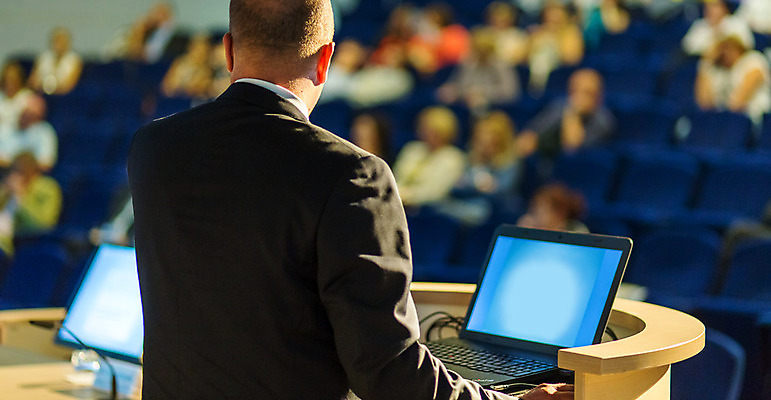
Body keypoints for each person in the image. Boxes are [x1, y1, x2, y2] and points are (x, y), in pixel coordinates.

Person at [128, 0, 573, 399]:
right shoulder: (351, 174)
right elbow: (389, 374)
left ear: (228, 51)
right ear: (325, 60)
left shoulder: (153, 148)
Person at [434, 111, 523, 225]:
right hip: (465, 203)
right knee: (438, 205)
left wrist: (471, 185)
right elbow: (456, 188)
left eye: (489, 137)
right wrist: (478, 186)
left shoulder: (509, 162)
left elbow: (501, 193)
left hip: (490, 209)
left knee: (478, 211)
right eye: (480, 137)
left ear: (500, 140)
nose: (484, 142)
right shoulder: (471, 157)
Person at [517, 68, 615, 161]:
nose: (579, 97)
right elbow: (532, 133)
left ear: (598, 97)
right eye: (574, 91)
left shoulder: (604, 121)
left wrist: (573, 112)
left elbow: (571, 147)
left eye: (587, 93)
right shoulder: (559, 106)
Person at [392, 106, 466, 207]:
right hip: (398, 200)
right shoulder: (412, 149)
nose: (427, 133)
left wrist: (406, 195)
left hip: (430, 208)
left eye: (434, 131)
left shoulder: (453, 158)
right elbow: (397, 177)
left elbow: (435, 192)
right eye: (424, 128)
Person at [436, 28, 521, 115]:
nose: (481, 53)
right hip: (467, 101)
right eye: (478, 49)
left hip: (495, 107)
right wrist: (453, 91)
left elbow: (510, 92)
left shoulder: (502, 65)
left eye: (484, 50)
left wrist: (483, 94)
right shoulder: (468, 61)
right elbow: (459, 84)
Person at [695, 35, 771, 124]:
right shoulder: (720, 71)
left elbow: (738, 103)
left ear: (737, 48)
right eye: (721, 50)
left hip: (755, 119)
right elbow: (705, 103)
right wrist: (706, 62)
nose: (725, 54)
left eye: (728, 48)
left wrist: (723, 116)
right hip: (729, 121)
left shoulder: (752, 60)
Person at [0, 152, 62, 255]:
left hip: (14, 242)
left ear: (33, 173)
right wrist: (4, 191)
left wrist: (19, 197)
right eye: (13, 171)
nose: (15, 176)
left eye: (21, 172)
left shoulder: (47, 189)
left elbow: (41, 225)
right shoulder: (6, 186)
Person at [0, 94, 58, 171]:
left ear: (39, 117)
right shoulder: (6, 126)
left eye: (31, 115)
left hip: (32, 174)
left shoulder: (44, 132)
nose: (26, 117)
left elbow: (46, 163)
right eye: (25, 113)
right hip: (4, 172)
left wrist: (22, 165)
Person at [681, 0, 753, 58]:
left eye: (715, 7)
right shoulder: (700, 25)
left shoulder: (736, 23)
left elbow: (748, 44)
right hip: (712, 64)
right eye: (707, 8)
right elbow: (687, 47)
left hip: (736, 63)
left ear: (724, 8)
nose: (710, 10)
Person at [28, 27, 83, 95]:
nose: (59, 44)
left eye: (62, 41)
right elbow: (32, 82)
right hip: (41, 94)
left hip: (62, 96)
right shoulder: (43, 57)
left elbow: (68, 86)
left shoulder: (74, 60)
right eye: (56, 40)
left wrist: (50, 88)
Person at [517, 183, 588, 233]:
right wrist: (523, 231)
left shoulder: (576, 229)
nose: (537, 215)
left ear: (559, 212)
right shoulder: (532, 226)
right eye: (535, 209)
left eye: (543, 210)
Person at [161, 33, 214, 98]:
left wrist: (186, 87)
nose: (199, 52)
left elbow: (201, 88)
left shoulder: (208, 68)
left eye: (203, 49)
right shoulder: (179, 61)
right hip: (174, 99)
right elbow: (166, 86)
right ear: (191, 47)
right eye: (197, 48)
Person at [0, 61, 34, 134]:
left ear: (19, 79)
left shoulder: (27, 96)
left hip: (22, 134)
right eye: (8, 79)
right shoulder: (1, 96)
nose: (10, 83)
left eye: (13, 79)